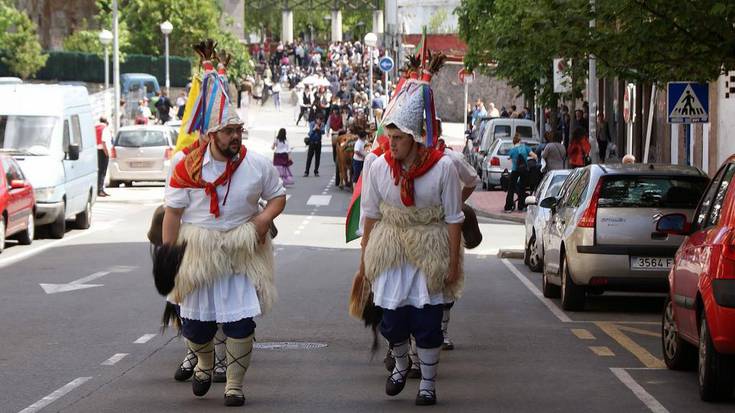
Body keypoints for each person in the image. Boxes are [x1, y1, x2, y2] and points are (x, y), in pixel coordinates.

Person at [160, 65, 286, 407]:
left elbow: (278, 196)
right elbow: (172, 215)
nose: (236, 137)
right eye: (229, 131)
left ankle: (234, 385)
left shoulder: (257, 164)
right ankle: (203, 362)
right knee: (196, 328)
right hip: (197, 253)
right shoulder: (185, 166)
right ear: (212, 134)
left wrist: (262, 220)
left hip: (241, 251)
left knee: (241, 324)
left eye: (238, 130)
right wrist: (169, 258)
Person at [353, 53, 463, 406]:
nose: (392, 143)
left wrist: (453, 264)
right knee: (393, 322)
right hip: (391, 248)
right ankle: (400, 366)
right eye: (390, 136)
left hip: (429, 248)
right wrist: (365, 259)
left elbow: (453, 219)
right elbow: (369, 214)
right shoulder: (377, 166)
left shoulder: (443, 168)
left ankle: (428, 384)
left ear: (415, 139)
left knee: (428, 322)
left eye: (399, 138)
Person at [504, 133, 537, 212]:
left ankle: (508, 207)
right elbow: (534, 156)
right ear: (520, 141)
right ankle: (521, 206)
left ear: (514, 142)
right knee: (522, 188)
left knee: (511, 188)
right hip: (524, 170)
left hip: (515, 170)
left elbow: (509, 158)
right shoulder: (525, 148)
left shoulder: (512, 150)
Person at [95, 117, 112, 196]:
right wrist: (107, 153)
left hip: (96, 151)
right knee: (103, 171)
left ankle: (99, 189)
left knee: (99, 171)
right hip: (103, 151)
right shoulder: (105, 129)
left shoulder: (95, 127)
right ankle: (100, 189)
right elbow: (104, 141)